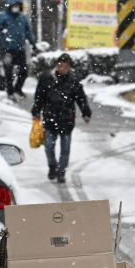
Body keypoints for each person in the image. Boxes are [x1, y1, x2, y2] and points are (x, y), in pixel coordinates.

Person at [31, 53, 90, 184]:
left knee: (65, 147)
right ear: (57, 65)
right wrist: (36, 111)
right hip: (50, 117)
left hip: (66, 118)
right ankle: (52, 167)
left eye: (66, 66)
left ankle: (61, 171)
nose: (63, 69)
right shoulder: (46, 78)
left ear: (69, 67)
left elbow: (81, 98)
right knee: (49, 146)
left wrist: (86, 112)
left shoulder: (74, 80)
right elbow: (39, 97)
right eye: (61, 66)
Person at [0, 0, 34, 97]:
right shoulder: (3, 16)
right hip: (7, 49)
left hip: (19, 48)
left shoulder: (22, 18)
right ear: (9, 5)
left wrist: (33, 42)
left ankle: (18, 89)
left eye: (18, 5)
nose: (16, 7)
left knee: (24, 70)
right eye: (14, 5)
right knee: (8, 71)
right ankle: (10, 91)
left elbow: (27, 31)